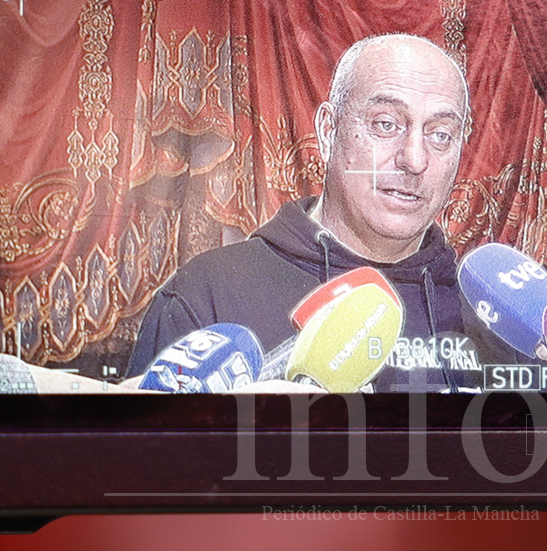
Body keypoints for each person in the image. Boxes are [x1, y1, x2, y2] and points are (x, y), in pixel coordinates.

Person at [126, 34, 507, 391]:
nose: (414, 159)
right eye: (386, 124)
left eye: (440, 135)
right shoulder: (209, 294)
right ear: (327, 131)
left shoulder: (493, 317)